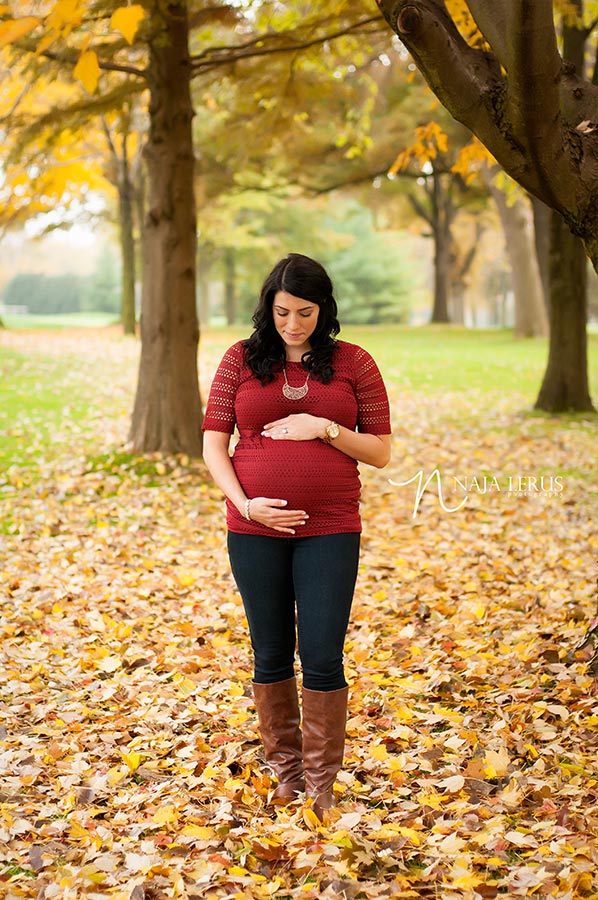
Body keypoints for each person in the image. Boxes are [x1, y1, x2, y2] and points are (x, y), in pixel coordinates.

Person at [202, 253, 391, 820]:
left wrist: (325, 428)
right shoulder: (240, 360)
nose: (292, 324)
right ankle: (286, 774)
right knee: (271, 652)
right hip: (253, 527)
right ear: (268, 308)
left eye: (305, 313)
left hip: (330, 527)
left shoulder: (355, 363)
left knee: (324, 656)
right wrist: (247, 505)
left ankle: (321, 783)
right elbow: (214, 444)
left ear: (323, 308)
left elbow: (381, 453)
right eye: (283, 312)